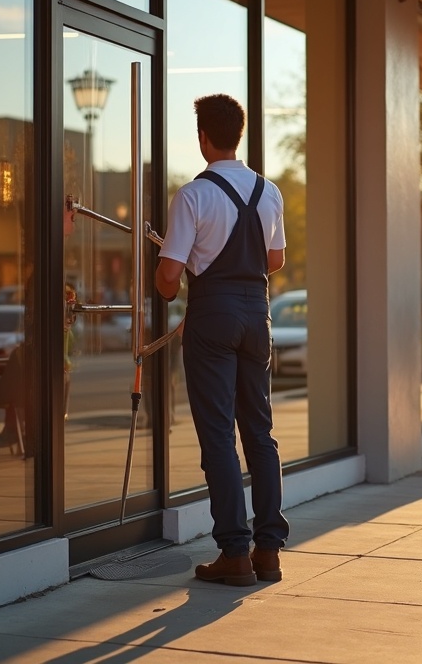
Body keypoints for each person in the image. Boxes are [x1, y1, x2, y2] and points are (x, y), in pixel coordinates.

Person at [155, 93, 288, 586]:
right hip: (258, 314)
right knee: (260, 432)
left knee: (217, 436)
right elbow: (274, 260)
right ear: (240, 134)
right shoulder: (268, 191)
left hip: (213, 315)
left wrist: (169, 276)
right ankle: (269, 551)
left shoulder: (192, 195)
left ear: (203, 137)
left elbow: (169, 277)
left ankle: (234, 553)